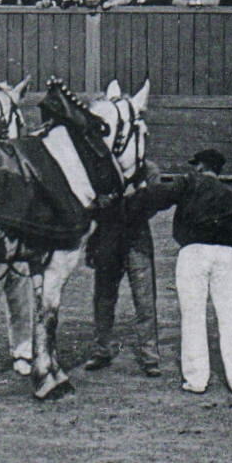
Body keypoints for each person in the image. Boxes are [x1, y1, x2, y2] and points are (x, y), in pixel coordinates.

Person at [144, 150, 232, 395]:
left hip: (193, 252)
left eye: (195, 165)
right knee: (231, 318)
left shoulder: (189, 183)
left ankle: (196, 379)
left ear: (201, 166)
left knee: (193, 316)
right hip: (228, 255)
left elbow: (159, 196)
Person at [83, 161, 165, 377]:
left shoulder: (148, 170)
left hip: (136, 239)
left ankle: (150, 356)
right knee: (103, 298)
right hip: (108, 238)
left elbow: (152, 203)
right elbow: (90, 202)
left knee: (144, 299)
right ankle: (102, 349)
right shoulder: (101, 167)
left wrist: (117, 202)